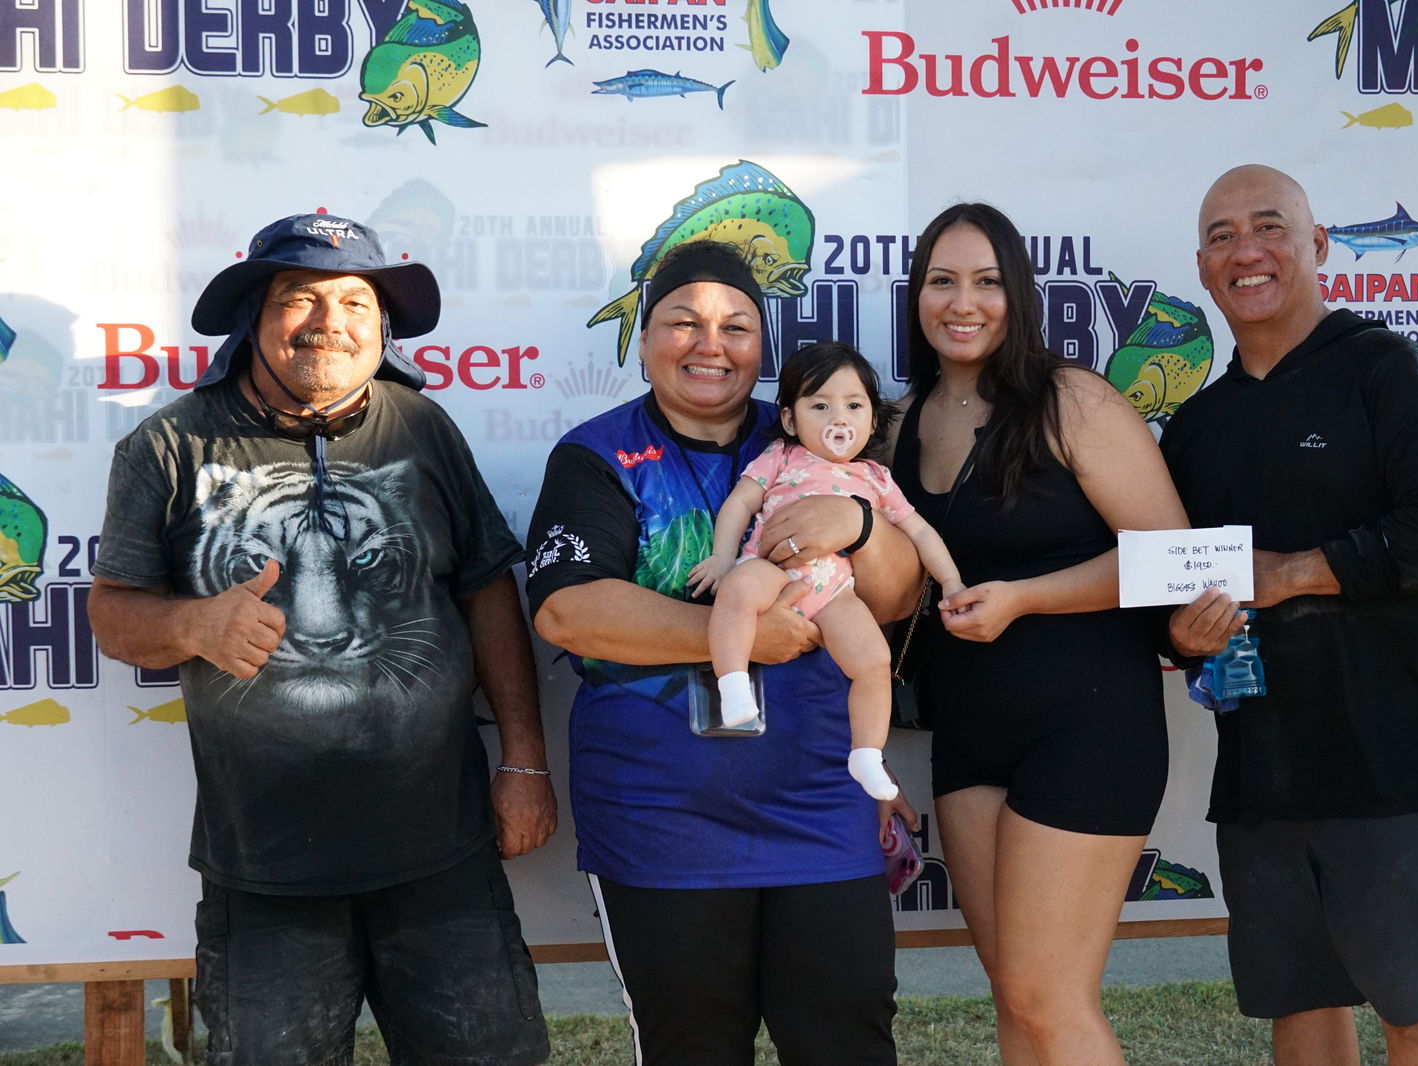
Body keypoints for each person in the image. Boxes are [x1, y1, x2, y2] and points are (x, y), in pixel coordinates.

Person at [87, 213, 555, 1066]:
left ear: (382, 329)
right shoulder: (170, 444)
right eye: (298, 297)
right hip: (264, 866)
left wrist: (524, 760)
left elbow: (486, 590)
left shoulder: (422, 427)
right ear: (253, 322)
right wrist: (194, 622)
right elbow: (114, 612)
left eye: (354, 300)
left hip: (440, 851)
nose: (328, 319)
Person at [524, 241, 921, 1066]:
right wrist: (742, 638)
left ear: (763, 350)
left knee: (847, 1041)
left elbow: (895, 598)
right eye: (684, 322)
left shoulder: (813, 434)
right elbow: (568, 611)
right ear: (643, 340)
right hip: (663, 821)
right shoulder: (597, 455)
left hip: (821, 802)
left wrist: (860, 525)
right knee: (694, 1049)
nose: (711, 344)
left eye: (737, 326)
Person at [1162, 164, 1418, 1066]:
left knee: (1417, 1014)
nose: (1247, 252)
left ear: (1316, 246)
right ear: (1202, 268)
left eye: (1269, 227)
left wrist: (1298, 573)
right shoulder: (1194, 429)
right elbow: (1177, 589)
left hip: (1396, 765)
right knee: (1300, 1012)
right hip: (1261, 777)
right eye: (1223, 236)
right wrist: (1181, 635)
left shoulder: (1390, 371)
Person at [888, 202, 1190, 1066]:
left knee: (1047, 996)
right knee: (1014, 999)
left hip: (1088, 724)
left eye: (987, 281)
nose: (963, 302)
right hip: (970, 734)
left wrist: (1025, 599)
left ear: (1019, 294)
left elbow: (1173, 561)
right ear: (917, 297)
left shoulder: (1073, 400)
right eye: (942, 281)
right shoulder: (901, 423)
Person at [686, 341, 964, 801]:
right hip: (772, 567)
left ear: (873, 420)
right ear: (791, 419)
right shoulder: (780, 457)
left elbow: (921, 533)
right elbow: (739, 503)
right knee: (737, 590)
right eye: (820, 405)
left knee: (874, 662)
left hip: (838, 593)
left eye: (854, 406)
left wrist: (951, 581)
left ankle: (867, 753)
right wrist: (722, 556)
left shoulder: (876, 478)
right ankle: (732, 682)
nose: (839, 418)